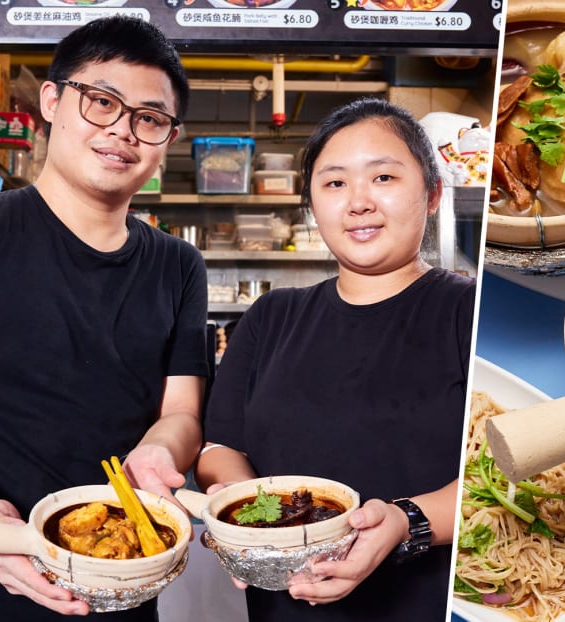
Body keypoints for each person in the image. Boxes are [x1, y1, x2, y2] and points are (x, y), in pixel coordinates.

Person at [0, 16, 208, 621]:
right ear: (52, 100)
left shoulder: (178, 265)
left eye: (148, 118)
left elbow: (180, 413)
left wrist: (158, 451)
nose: (122, 130)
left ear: (167, 138)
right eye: (101, 102)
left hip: (123, 580)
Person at [195, 97, 476, 622]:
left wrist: (405, 520)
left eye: (384, 178)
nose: (358, 203)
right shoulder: (271, 316)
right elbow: (220, 446)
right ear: (312, 205)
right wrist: (240, 519)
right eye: (334, 183)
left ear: (433, 194)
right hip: (285, 606)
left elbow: (499, 470)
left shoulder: (467, 311)